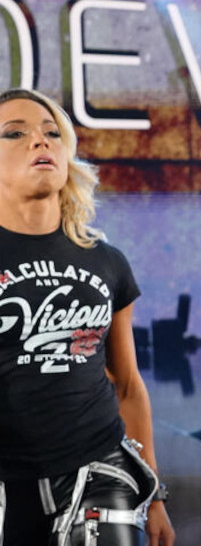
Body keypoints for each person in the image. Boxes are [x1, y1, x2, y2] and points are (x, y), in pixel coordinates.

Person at [0, 88, 175, 545]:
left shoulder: (106, 261)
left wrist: (154, 494)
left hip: (98, 467)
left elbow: (128, 385)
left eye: (52, 133)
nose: (40, 141)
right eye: (14, 133)